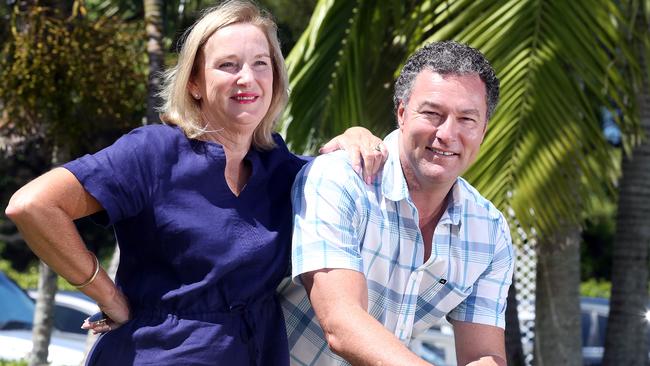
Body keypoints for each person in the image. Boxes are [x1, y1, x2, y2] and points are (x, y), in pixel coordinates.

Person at [5, 1, 385, 365]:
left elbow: (332, 178)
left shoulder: (279, 165)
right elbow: (33, 205)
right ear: (194, 84)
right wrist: (108, 296)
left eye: (260, 64)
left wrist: (354, 133)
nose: (247, 78)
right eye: (227, 65)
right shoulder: (153, 152)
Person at [279, 41, 515, 366]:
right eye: (432, 113)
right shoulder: (341, 180)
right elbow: (341, 324)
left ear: (484, 129)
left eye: (467, 119)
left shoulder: (489, 231)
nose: (447, 133)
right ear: (402, 113)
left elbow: (483, 353)